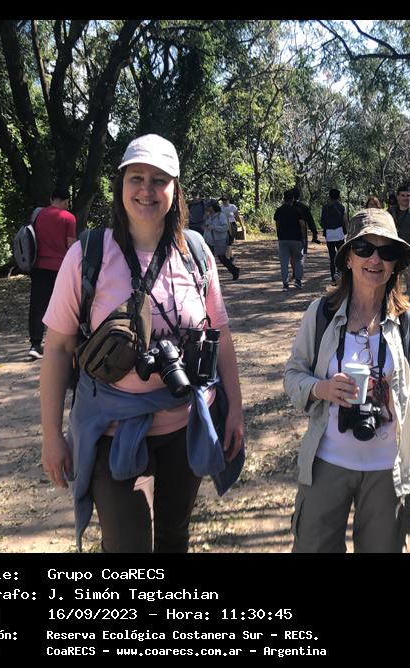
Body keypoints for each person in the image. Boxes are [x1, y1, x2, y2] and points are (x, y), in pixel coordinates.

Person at [39, 134, 246, 552]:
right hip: (112, 429)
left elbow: (220, 334)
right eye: (137, 178)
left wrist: (235, 410)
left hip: (185, 426)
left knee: (173, 537)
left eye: (159, 180)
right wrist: (51, 434)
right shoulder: (88, 255)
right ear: (121, 185)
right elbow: (58, 348)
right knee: (128, 549)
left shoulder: (197, 253)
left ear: (175, 190)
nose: (147, 190)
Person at [284, 208, 410, 552]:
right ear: (348, 258)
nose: (375, 259)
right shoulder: (322, 313)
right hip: (327, 462)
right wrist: (321, 388)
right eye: (364, 248)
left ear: (396, 263)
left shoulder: (408, 321)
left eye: (386, 252)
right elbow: (293, 374)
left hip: (388, 468)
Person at [27, 187, 77, 359]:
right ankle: (62, 344)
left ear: (51, 199)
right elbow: (72, 246)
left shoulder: (38, 215)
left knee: (37, 306)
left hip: (38, 266)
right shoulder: (68, 218)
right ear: (66, 201)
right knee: (63, 306)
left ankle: (35, 344)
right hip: (60, 268)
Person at [274, 188, 305, 290]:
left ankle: (285, 284)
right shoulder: (297, 210)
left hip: (283, 239)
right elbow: (302, 225)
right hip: (296, 238)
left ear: (284, 198)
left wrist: (279, 235)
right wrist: (303, 237)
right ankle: (298, 280)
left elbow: (277, 224)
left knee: (284, 261)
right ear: (293, 199)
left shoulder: (279, 210)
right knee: (299, 259)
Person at [204, 198, 240, 280]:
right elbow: (207, 228)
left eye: (209, 206)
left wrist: (214, 227)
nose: (207, 208)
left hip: (220, 240)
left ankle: (234, 270)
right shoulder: (208, 216)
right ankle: (208, 277)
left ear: (213, 207)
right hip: (210, 240)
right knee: (208, 258)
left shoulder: (221, 215)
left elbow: (225, 227)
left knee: (222, 258)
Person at [320, 188, 349, 285]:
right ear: (338, 196)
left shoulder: (325, 207)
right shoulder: (341, 207)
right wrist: (348, 232)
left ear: (329, 196)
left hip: (329, 234)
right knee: (341, 255)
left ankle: (333, 279)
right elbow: (345, 220)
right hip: (339, 233)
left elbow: (322, 221)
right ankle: (340, 273)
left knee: (332, 257)